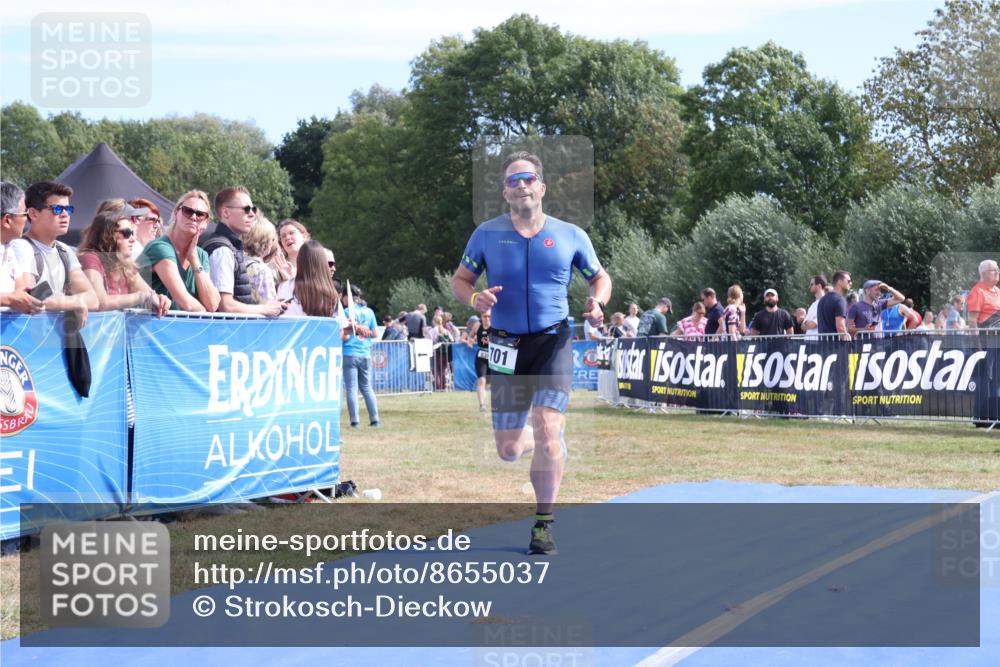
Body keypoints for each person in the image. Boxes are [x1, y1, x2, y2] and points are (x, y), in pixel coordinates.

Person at [452, 151, 611, 556]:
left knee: (545, 426)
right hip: (505, 345)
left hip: (552, 343)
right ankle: (546, 442)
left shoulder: (571, 234)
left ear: (541, 187)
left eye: (528, 178)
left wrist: (597, 302)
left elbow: (600, 278)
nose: (521, 184)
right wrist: (475, 297)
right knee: (507, 450)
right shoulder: (486, 234)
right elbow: (461, 279)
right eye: (513, 180)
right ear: (505, 192)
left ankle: (543, 525)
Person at [11, 181, 98, 324]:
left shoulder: (65, 250)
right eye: (57, 209)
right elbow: (30, 298)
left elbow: (93, 299)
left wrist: (70, 303)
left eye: (68, 209)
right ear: (33, 213)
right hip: (27, 338)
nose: (65, 215)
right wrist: (75, 303)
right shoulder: (21, 247)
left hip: (55, 338)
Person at [200, 187, 283, 317]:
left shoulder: (228, 246)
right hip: (226, 333)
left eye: (253, 209)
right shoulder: (222, 250)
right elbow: (225, 305)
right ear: (226, 212)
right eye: (246, 209)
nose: (252, 214)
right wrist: (264, 309)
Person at [137, 190, 220, 312]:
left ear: (206, 222)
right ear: (176, 213)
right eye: (188, 211)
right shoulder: (160, 247)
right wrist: (206, 317)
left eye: (200, 214)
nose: (193, 217)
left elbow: (212, 305)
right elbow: (186, 303)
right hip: (148, 326)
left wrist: (194, 260)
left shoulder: (201, 255)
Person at [77, 206, 169, 315]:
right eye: (126, 233)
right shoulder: (90, 258)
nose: (133, 239)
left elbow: (148, 294)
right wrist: (141, 297)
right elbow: (100, 302)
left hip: (115, 330)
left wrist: (161, 300)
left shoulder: (126, 265)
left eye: (133, 233)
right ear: (107, 235)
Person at [339, 282, 380, 428]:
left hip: (349, 352)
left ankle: (355, 421)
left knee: (351, 388)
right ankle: (375, 420)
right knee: (367, 387)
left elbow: (343, 335)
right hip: (365, 353)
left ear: (346, 297)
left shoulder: (345, 313)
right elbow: (375, 333)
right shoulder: (369, 312)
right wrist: (366, 332)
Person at [0, 181, 43, 314]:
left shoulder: (9, 247)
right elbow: (13, 298)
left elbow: (21, 290)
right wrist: (9, 299)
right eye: (24, 214)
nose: (27, 219)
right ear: (7, 220)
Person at [242, 213, 280, 305]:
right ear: (266, 242)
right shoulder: (262, 270)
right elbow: (268, 305)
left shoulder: (236, 262)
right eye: (272, 239)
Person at [463, 312, 492, 411]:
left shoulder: (496, 325)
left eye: (489, 316)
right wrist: (470, 341)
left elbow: (504, 335)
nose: (487, 318)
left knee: (493, 382)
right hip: (481, 356)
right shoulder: (477, 325)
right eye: (485, 316)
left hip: (494, 357)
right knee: (481, 380)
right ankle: (482, 405)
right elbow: (470, 336)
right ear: (481, 317)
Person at [271, 219, 310, 283]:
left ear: (304, 236)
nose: (287, 238)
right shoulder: (275, 269)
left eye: (292, 233)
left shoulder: (316, 262)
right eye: (283, 236)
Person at [818, 271, 852, 342]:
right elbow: (840, 326)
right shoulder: (840, 300)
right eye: (848, 281)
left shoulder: (822, 300)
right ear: (839, 282)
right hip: (836, 346)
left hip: (823, 345)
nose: (850, 283)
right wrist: (848, 343)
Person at [968, 259, 1000, 329]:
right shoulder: (977, 292)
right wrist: (975, 339)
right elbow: (972, 320)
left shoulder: (998, 291)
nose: (997, 272)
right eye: (994, 270)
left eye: (998, 269)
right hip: (989, 337)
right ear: (983, 273)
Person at [427, 313, 454, 390]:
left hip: (436, 353)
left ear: (434, 321)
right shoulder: (446, 331)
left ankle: (438, 387)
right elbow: (452, 340)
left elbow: (429, 341)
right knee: (443, 371)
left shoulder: (432, 331)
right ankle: (443, 387)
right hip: (445, 353)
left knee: (436, 371)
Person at [801, 275, 828, 340]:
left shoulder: (825, 303)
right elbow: (802, 327)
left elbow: (813, 324)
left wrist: (806, 321)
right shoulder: (813, 305)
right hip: (809, 341)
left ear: (819, 286)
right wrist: (808, 322)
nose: (809, 286)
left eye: (812, 284)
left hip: (818, 342)